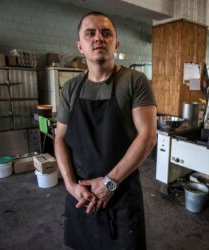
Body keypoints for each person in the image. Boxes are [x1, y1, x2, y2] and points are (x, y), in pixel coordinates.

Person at [54, 11, 157, 250]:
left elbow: (148, 136)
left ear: (116, 44)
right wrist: (70, 185)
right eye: (90, 33)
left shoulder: (134, 81)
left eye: (106, 33)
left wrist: (110, 183)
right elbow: (60, 137)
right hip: (82, 195)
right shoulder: (70, 89)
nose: (98, 38)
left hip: (121, 195)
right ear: (80, 45)